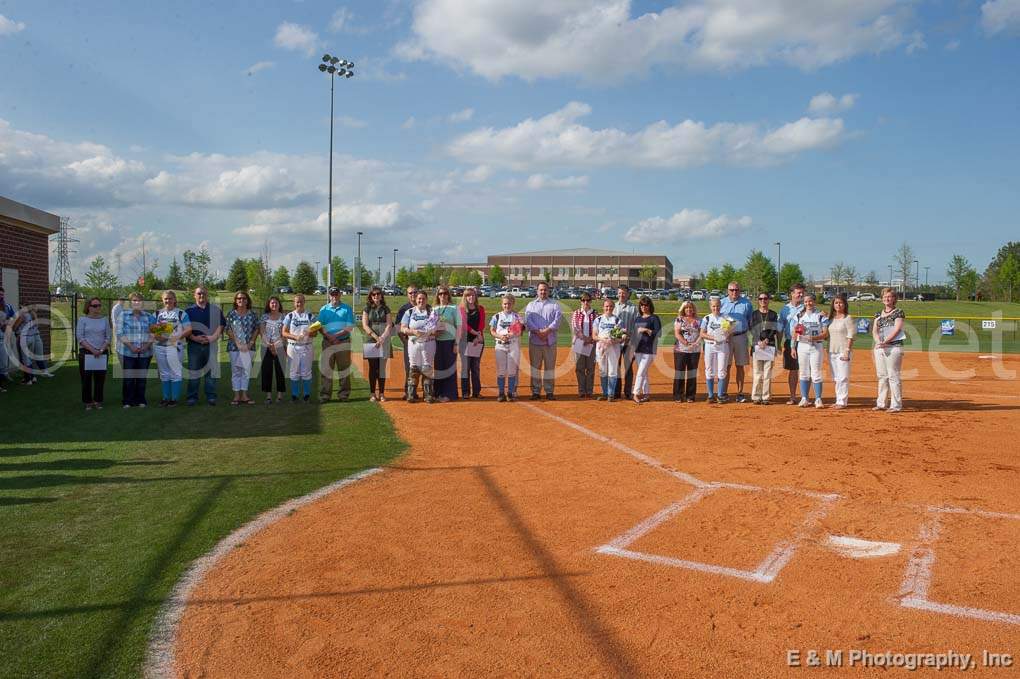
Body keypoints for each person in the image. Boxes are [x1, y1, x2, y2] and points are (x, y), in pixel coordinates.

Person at [185, 287, 225, 406]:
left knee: (210, 373)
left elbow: (221, 325)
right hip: (194, 345)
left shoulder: (214, 309)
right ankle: (192, 397)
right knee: (194, 372)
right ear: (194, 295)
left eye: (203, 293)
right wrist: (194, 338)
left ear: (207, 295)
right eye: (199, 293)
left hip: (211, 344)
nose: (201, 295)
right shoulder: (188, 311)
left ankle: (211, 396)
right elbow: (185, 327)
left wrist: (213, 337)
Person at [153, 291, 191, 407]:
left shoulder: (181, 313)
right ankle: (166, 398)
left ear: (174, 299)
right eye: (165, 299)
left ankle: (174, 399)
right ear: (162, 300)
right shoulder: (157, 314)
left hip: (175, 347)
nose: (168, 301)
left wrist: (175, 337)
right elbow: (153, 330)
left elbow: (189, 329)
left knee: (175, 372)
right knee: (164, 373)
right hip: (160, 346)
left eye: (170, 298)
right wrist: (158, 335)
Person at [525, 281, 562, 400]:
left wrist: (546, 331)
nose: (543, 292)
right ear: (537, 291)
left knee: (549, 367)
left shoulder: (555, 305)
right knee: (535, 367)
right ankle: (535, 391)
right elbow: (528, 321)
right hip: (535, 341)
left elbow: (557, 321)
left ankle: (549, 391)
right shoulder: (531, 305)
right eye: (541, 290)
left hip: (549, 341)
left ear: (548, 291)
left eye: (545, 290)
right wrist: (537, 332)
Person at [400, 290, 439, 403]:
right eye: (419, 299)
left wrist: (430, 332)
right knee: (414, 367)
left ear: (426, 300)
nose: (421, 301)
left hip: (429, 343)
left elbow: (437, 328)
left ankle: (428, 394)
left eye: (423, 298)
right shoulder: (410, 312)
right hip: (414, 343)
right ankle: (411, 394)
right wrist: (413, 331)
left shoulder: (432, 312)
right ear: (415, 300)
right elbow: (403, 328)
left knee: (427, 367)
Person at [791, 292, 829, 408]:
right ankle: (804, 398)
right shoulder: (799, 316)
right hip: (802, 346)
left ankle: (818, 399)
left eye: (810, 301)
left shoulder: (820, 315)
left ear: (814, 302)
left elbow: (825, 334)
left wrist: (813, 338)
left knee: (816, 373)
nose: (808, 303)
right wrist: (793, 346)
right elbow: (795, 333)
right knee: (803, 372)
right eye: (806, 301)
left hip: (816, 346)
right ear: (804, 302)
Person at [118, 292, 155, 408]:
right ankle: (127, 401)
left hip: (145, 353)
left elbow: (154, 333)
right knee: (129, 378)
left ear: (142, 303)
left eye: (139, 300)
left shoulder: (149, 317)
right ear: (130, 303)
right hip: (128, 352)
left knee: (141, 378)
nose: (136, 302)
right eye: (134, 300)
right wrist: (131, 346)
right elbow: (120, 333)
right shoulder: (123, 315)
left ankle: (141, 400)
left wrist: (146, 346)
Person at [872, 287, 906, 413]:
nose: (887, 299)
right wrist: (878, 342)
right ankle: (881, 403)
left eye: (890, 296)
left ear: (894, 299)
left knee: (893, 376)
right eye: (885, 297)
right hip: (880, 347)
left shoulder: (898, 312)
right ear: (882, 299)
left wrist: (886, 341)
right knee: (882, 376)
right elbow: (874, 330)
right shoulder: (878, 314)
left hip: (894, 347)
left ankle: (896, 405)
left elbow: (897, 329)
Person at [721, 281, 753, 402]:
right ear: (727, 290)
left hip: (741, 337)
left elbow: (750, 321)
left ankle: (740, 393)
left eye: (737, 290)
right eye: (732, 290)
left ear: (740, 290)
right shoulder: (722, 302)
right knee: (725, 366)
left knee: (740, 366)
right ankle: (723, 392)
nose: (734, 292)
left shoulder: (746, 303)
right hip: (726, 338)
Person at [226, 291, 259, 405]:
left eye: (244, 298)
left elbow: (257, 329)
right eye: (239, 298)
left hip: (249, 347)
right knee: (236, 371)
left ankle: (244, 395)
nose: (241, 300)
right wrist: (238, 344)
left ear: (247, 300)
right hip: (234, 348)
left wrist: (251, 342)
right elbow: (228, 330)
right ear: (235, 301)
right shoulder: (231, 314)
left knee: (246, 371)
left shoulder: (253, 314)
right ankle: (236, 396)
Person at [77, 296, 110, 410]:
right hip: (86, 352)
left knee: (100, 378)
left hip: (102, 352)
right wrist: (93, 350)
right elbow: (80, 337)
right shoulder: (82, 320)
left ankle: (98, 400)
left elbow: (108, 337)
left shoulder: (104, 320)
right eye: (95, 305)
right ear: (88, 307)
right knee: (86, 378)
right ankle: (87, 401)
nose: (97, 308)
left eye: (99, 305)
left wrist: (100, 350)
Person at [282, 294, 317, 402]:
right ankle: (295, 395)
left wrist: (307, 334)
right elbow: (284, 332)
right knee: (294, 372)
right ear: (294, 303)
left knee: (306, 372)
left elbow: (315, 333)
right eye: (297, 302)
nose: (299, 304)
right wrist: (295, 336)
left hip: (306, 346)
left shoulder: (310, 315)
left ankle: (306, 395)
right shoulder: (290, 316)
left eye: (301, 301)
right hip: (293, 347)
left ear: (304, 302)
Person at [489, 293, 523, 402]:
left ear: (512, 304)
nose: (506, 306)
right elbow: (492, 331)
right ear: (501, 304)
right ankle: (501, 393)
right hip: (500, 344)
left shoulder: (517, 316)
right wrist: (500, 336)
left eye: (509, 303)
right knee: (501, 370)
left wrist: (511, 334)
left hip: (513, 344)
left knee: (512, 371)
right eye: (504, 304)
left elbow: (520, 329)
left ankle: (510, 393)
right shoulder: (497, 316)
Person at [362, 286, 393, 402]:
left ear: (381, 295)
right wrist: (376, 337)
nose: (376, 296)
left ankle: (382, 393)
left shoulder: (386, 308)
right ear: (370, 296)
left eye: (378, 294)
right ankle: (372, 393)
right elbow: (365, 325)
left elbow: (389, 325)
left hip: (384, 339)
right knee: (373, 368)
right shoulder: (367, 308)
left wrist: (382, 338)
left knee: (382, 368)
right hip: (371, 339)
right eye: (373, 294)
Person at [749, 292, 780, 405]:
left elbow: (774, 328)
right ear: (758, 300)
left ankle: (766, 396)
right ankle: (756, 396)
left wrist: (767, 339)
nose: (763, 301)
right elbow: (752, 328)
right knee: (757, 372)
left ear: (768, 300)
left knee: (767, 373)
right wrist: (759, 340)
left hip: (769, 345)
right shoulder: (754, 314)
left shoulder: (773, 314)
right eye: (761, 298)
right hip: (757, 345)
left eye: (765, 298)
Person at [700, 297, 732, 404]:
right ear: (710, 306)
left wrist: (725, 334)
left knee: (722, 370)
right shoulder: (707, 318)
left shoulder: (726, 318)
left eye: (717, 306)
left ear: (721, 306)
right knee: (709, 370)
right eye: (713, 306)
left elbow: (729, 331)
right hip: (709, 345)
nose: (716, 308)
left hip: (722, 346)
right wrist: (714, 337)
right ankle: (710, 395)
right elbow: (702, 333)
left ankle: (720, 395)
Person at [778, 283, 806, 405]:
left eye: (802, 292)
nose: (801, 294)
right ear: (792, 294)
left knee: (806, 369)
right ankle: (793, 396)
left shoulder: (807, 307)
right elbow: (780, 328)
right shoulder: (785, 309)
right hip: (790, 342)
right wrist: (778, 344)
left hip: (805, 341)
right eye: (798, 292)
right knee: (793, 370)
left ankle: (805, 396)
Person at [432, 286, 461, 402]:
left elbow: (459, 327)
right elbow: (430, 325)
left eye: (445, 293)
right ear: (437, 295)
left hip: (450, 342)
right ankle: (437, 393)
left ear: (448, 295)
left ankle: (449, 394)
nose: (442, 296)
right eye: (440, 294)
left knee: (449, 368)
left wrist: (456, 343)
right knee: (438, 368)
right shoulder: (434, 309)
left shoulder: (454, 308)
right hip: (437, 342)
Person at [632, 296, 662, 404]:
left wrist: (646, 329)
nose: (644, 307)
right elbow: (634, 334)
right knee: (643, 372)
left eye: (646, 305)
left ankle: (635, 394)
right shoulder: (638, 318)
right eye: (642, 305)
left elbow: (659, 333)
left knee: (640, 372)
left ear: (650, 306)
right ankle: (646, 394)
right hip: (638, 349)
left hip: (649, 349)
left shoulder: (654, 318)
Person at [827, 293, 854, 409]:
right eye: (836, 303)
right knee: (836, 377)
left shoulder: (848, 318)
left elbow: (851, 336)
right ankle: (838, 399)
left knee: (843, 377)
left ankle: (842, 401)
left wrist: (847, 351)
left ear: (845, 304)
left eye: (841, 303)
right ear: (833, 305)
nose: (838, 305)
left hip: (843, 350)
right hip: (832, 350)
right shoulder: (830, 319)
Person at [593, 299, 624, 402]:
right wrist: (603, 340)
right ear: (603, 307)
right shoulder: (598, 319)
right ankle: (605, 393)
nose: (608, 308)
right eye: (606, 306)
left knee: (612, 370)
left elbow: (622, 337)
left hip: (613, 348)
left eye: (610, 306)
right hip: (601, 347)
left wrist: (613, 340)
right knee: (603, 371)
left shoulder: (617, 320)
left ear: (613, 308)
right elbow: (594, 336)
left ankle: (611, 394)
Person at [458, 287, 486, 399]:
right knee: (465, 367)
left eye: (473, 295)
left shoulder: (480, 309)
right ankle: (465, 392)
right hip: (465, 341)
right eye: (468, 295)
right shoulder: (461, 309)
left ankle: (476, 392)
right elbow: (464, 325)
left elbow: (482, 323)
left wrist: (478, 336)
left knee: (475, 367)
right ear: (465, 297)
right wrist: (476, 334)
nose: (471, 297)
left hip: (477, 342)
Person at [260, 296, 287, 404]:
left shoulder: (284, 317)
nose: (274, 305)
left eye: (276, 303)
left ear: (279, 304)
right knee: (267, 371)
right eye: (272, 303)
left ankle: (280, 395)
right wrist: (269, 344)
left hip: (280, 347)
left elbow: (284, 333)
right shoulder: (264, 317)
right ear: (269, 305)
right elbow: (262, 331)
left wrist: (276, 345)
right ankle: (268, 396)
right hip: (266, 347)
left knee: (280, 371)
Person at [12, 305, 51, 382]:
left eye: (21, 307)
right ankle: (32, 377)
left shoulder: (24, 315)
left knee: (25, 359)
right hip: (32, 337)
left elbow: (14, 328)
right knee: (29, 359)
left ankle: (28, 379)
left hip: (24, 338)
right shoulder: (32, 315)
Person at [672, 301, 701, 403]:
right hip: (681, 349)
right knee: (680, 372)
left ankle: (690, 395)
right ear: (683, 309)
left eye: (690, 307)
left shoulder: (698, 320)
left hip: (695, 350)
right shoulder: (679, 319)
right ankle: (678, 395)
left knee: (692, 373)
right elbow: (677, 333)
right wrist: (685, 342)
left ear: (693, 309)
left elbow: (701, 334)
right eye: (686, 308)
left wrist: (695, 343)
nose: (688, 309)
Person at [613, 285, 638, 400]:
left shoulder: (633, 308)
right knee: (616, 367)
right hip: (616, 342)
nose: (621, 295)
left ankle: (628, 392)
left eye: (624, 293)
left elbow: (637, 325)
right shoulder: (613, 307)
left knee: (628, 368)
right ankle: (616, 392)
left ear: (628, 294)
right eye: (619, 293)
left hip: (629, 342)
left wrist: (630, 337)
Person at [571, 292, 597, 398]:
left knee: (590, 368)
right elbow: (575, 328)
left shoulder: (595, 314)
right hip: (579, 343)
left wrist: (590, 338)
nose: (585, 302)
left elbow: (597, 328)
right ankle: (582, 390)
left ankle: (589, 390)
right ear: (580, 301)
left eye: (587, 300)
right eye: (583, 300)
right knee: (580, 368)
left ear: (590, 301)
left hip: (591, 343)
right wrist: (584, 338)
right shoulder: (576, 313)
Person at [395, 286, 418, 400]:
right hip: (409, 343)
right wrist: (405, 341)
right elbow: (398, 328)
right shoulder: (404, 309)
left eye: (415, 292)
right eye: (410, 293)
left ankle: (427, 391)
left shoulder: (426, 307)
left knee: (424, 367)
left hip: (424, 343)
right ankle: (409, 392)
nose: (413, 294)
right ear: (407, 294)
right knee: (409, 368)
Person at [0, 287, 14, 392]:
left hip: (4, 336)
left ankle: (4, 375)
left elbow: (14, 317)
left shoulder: (7, 306)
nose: (1, 296)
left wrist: (8, 321)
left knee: (4, 361)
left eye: (2, 294)